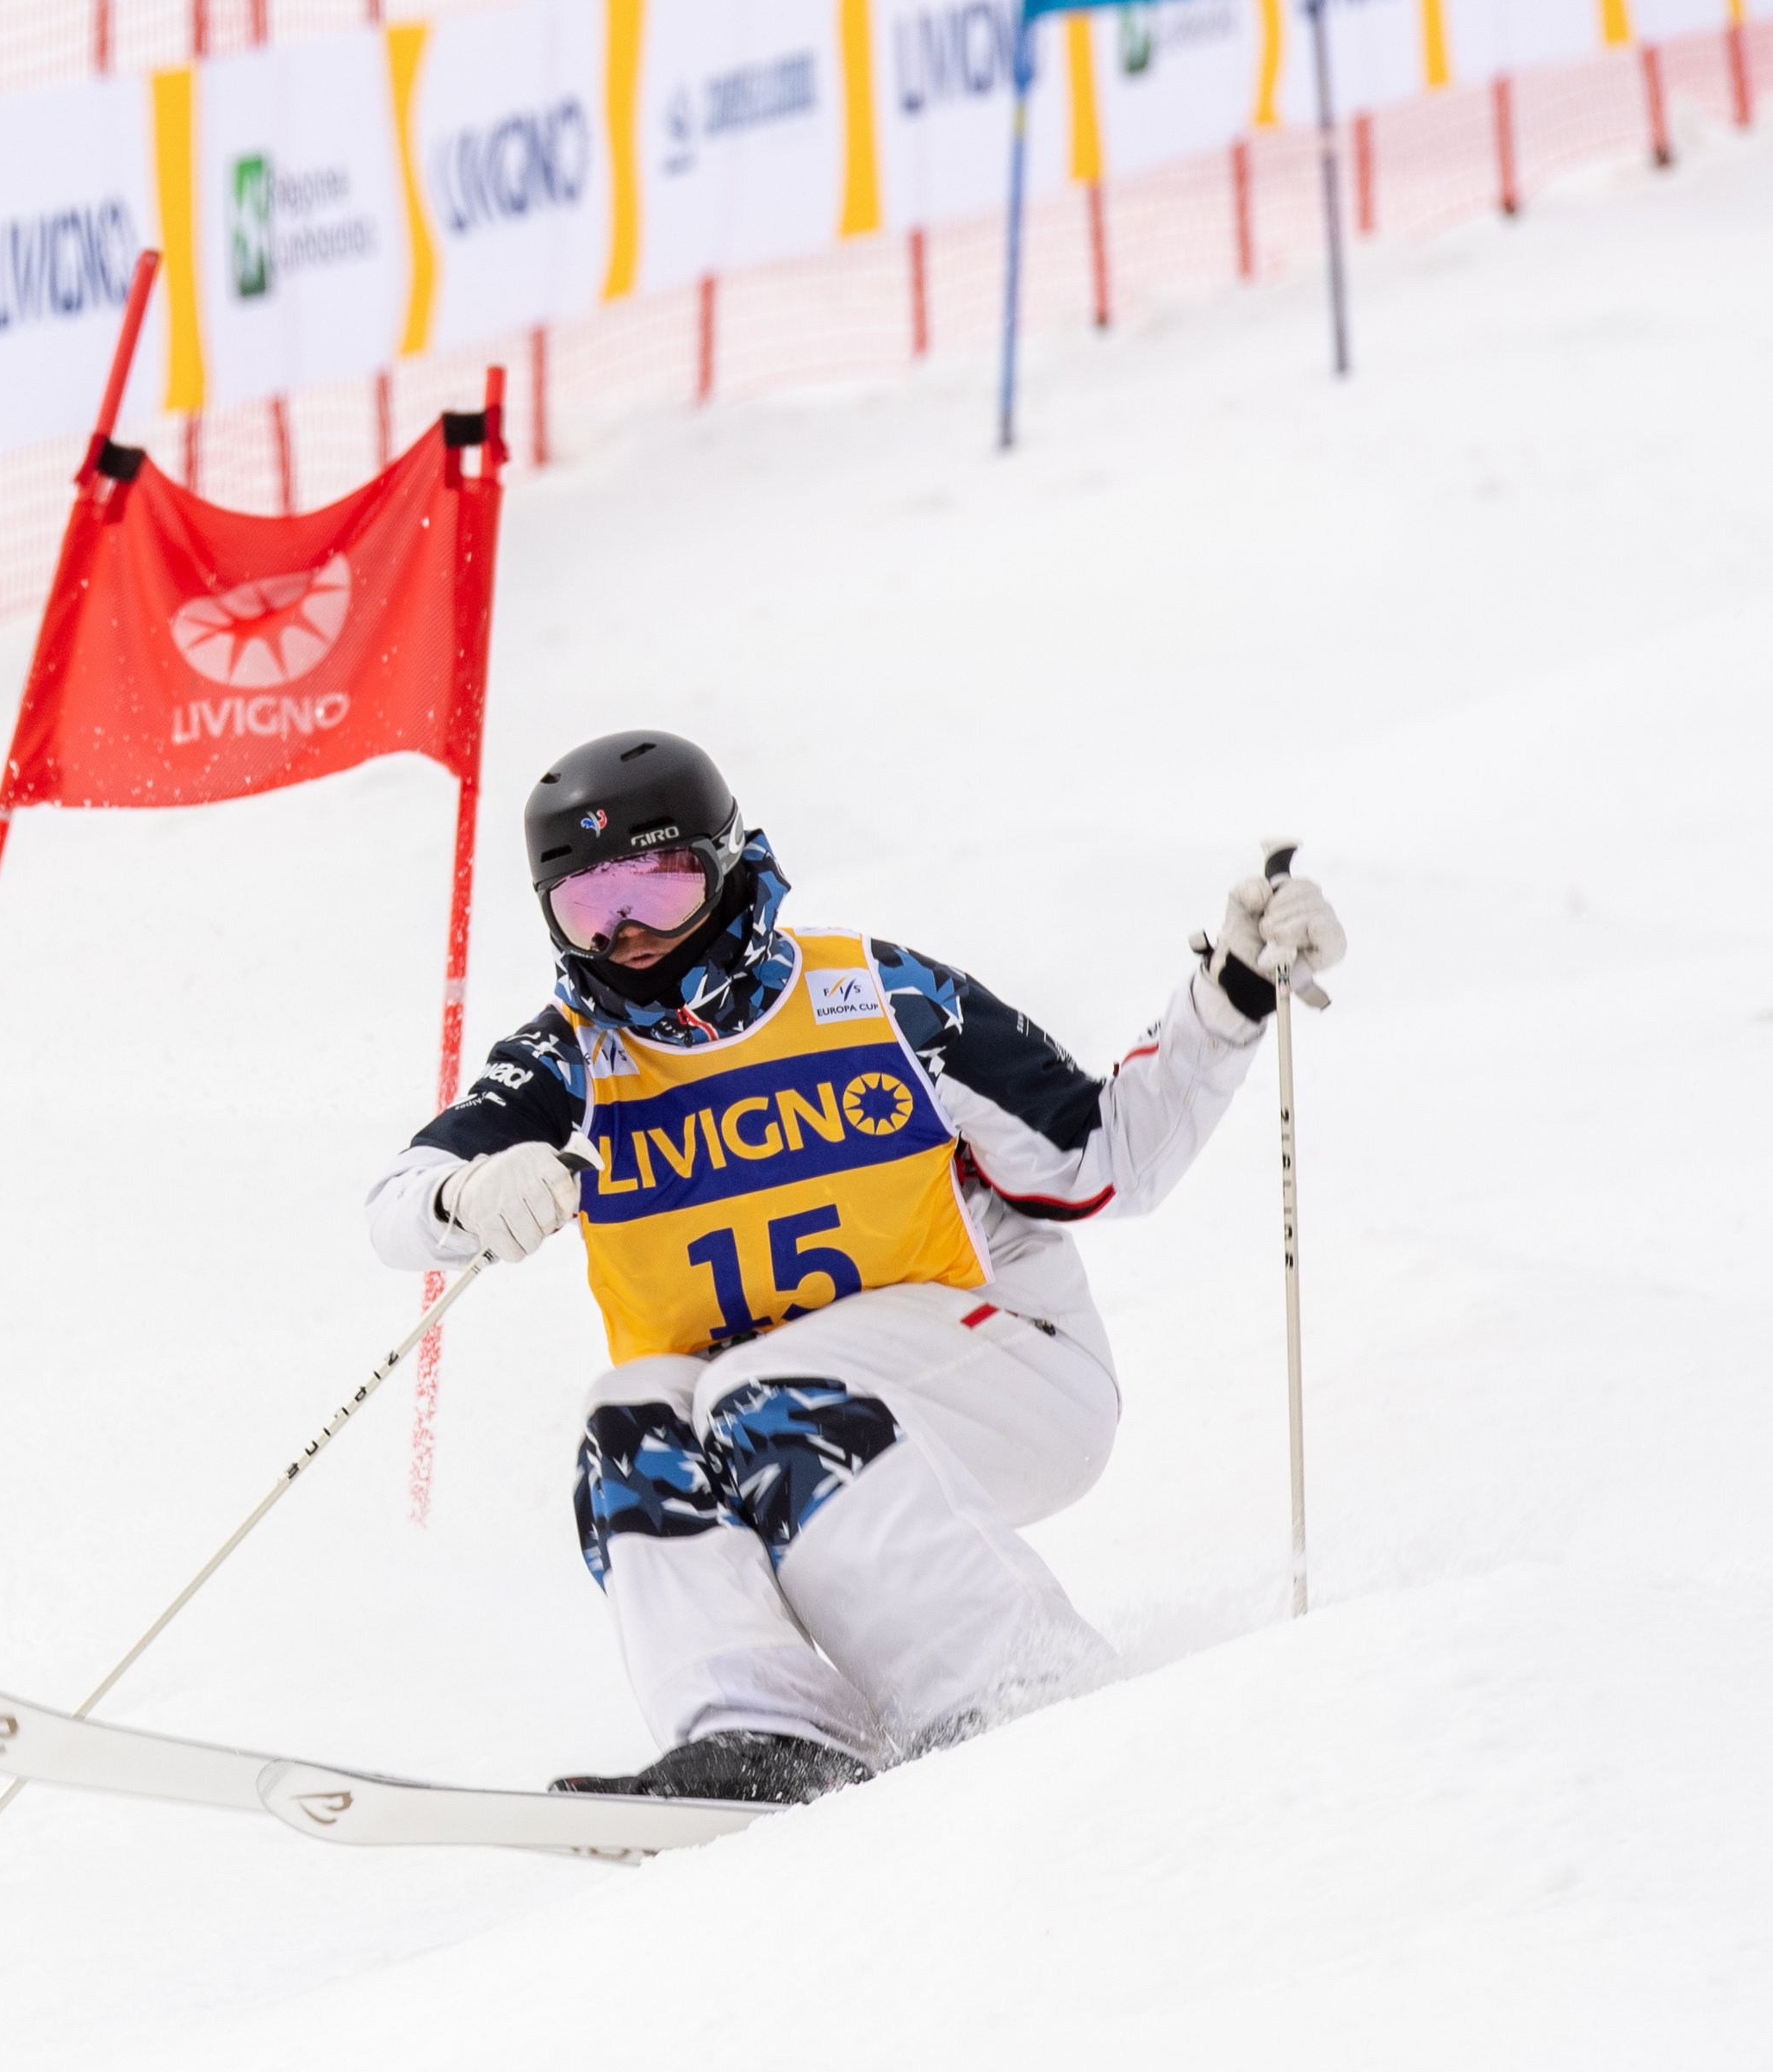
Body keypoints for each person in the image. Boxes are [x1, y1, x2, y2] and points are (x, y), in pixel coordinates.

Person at [366, 729, 1344, 1802]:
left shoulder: (880, 1002)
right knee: (628, 1417)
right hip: (784, 1427)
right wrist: (467, 1194)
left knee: (760, 1390)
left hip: (1013, 1370)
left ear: (727, 865)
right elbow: (399, 1205)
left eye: (659, 884)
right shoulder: (574, 1061)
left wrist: (1234, 995)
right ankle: (765, 1733)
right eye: (591, 908)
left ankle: (1015, 1682)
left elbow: (1108, 1156)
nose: (632, 933)